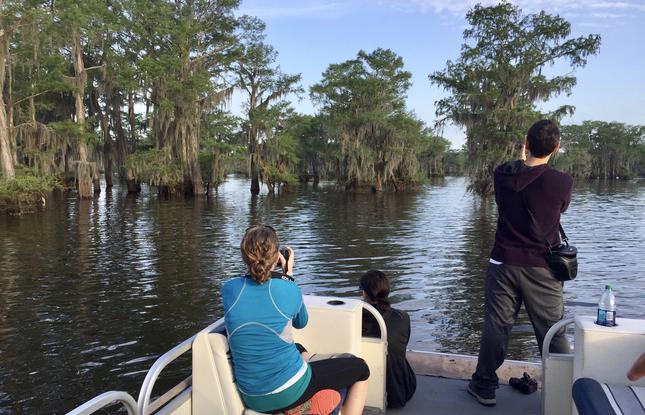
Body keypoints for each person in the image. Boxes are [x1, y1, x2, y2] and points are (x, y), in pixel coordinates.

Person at [468, 119, 573, 407]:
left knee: (496, 326)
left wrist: (522, 158)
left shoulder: (503, 175)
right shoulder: (562, 181)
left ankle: (484, 386)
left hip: (503, 262)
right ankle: (563, 393)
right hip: (542, 266)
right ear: (557, 147)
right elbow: (560, 207)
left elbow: (516, 170)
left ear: (525, 145)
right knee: (552, 330)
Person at [222, 225, 370, 415]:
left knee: (299, 348)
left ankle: (301, 406)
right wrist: (287, 275)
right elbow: (301, 322)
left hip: (253, 396)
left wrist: (279, 276)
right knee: (360, 368)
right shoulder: (288, 288)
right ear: (276, 255)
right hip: (289, 390)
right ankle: (303, 405)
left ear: (245, 255)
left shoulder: (228, 289)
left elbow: (254, 290)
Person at [360, 270, 416, 408]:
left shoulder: (356, 319)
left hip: (368, 393)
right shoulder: (403, 317)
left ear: (364, 293)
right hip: (404, 387)